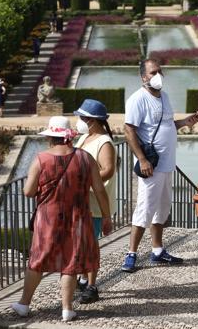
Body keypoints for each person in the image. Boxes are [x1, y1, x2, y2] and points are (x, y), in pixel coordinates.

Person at [11, 116, 112, 322]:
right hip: (79, 217)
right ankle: (67, 309)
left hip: (48, 218)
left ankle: (23, 304)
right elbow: (100, 189)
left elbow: (29, 192)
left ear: (51, 137)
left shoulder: (41, 159)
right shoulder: (85, 158)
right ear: (69, 138)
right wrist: (107, 216)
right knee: (71, 261)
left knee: (37, 260)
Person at [121, 58, 198, 273]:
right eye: (154, 72)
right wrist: (143, 159)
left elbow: (167, 125)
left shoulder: (164, 97)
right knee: (144, 208)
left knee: (162, 209)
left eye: (160, 71)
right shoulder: (137, 99)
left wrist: (185, 122)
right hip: (151, 165)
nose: (158, 75)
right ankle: (131, 254)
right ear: (143, 77)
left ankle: (157, 251)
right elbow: (129, 130)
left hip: (167, 164)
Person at [74, 99, 117, 304]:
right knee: (80, 244)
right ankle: (82, 279)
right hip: (82, 200)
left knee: (90, 244)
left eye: (82, 117)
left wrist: (84, 180)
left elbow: (108, 169)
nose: (79, 121)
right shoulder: (84, 138)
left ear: (92, 120)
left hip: (94, 202)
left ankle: (91, 285)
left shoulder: (104, 141)